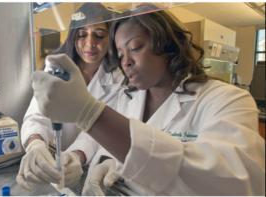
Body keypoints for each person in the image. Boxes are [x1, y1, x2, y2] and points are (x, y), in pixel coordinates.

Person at [31, 9, 265, 195]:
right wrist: (81, 158)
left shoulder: (227, 100)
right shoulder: (126, 96)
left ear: (167, 44)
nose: (126, 62)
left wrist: (89, 114)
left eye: (135, 48)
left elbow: (236, 183)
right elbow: (95, 140)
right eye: (121, 54)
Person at [16, 3, 124, 191]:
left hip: (93, 170)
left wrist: (77, 155)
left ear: (111, 38)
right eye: (82, 34)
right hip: (51, 166)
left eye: (99, 35)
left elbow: (101, 129)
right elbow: (36, 115)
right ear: (73, 36)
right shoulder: (56, 68)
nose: (90, 43)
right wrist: (35, 144)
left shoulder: (118, 80)